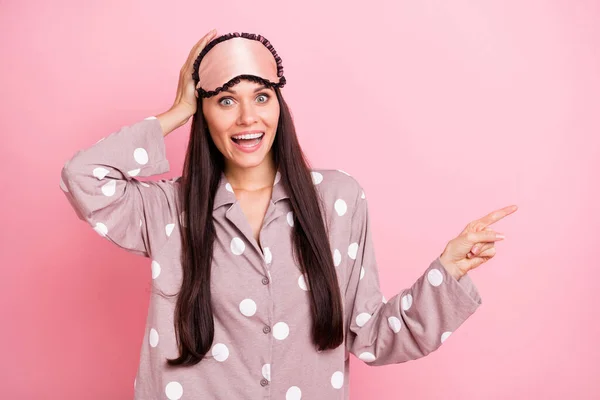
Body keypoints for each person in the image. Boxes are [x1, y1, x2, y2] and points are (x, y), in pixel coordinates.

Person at [60, 29, 518, 400]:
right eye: (224, 101)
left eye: (261, 97)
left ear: (279, 105)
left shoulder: (339, 200)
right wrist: (178, 109)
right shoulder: (166, 209)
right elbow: (81, 176)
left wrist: (446, 274)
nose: (246, 118)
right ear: (205, 115)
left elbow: (372, 335)